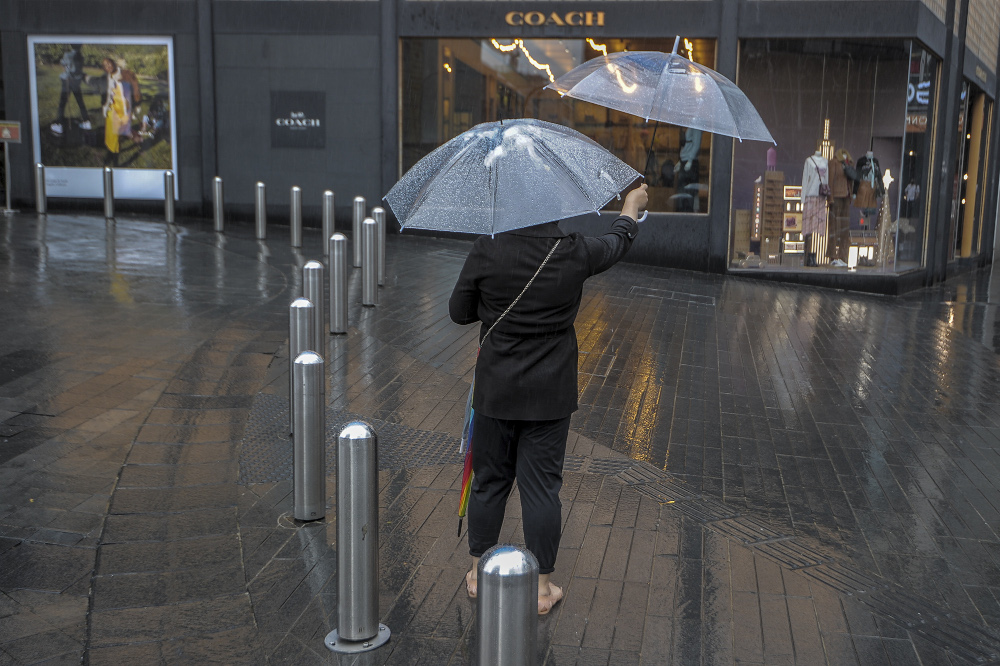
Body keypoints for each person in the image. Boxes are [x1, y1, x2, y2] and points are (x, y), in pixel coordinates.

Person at [449, 183, 649, 615]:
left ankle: (479, 575)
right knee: (542, 489)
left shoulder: (488, 248)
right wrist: (630, 209)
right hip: (550, 394)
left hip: (495, 390)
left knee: (490, 481)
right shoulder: (572, 250)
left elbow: (458, 311)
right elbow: (615, 244)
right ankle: (541, 589)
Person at [96, 57, 131, 166]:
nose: (108, 67)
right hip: (111, 109)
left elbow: (127, 96)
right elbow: (108, 93)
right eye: (105, 66)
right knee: (109, 135)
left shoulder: (122, 75)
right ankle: (109, 154)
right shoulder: (109, 76)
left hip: (120, 111)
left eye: (109, 64)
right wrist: (105, 107)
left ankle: (115, 162)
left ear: (113, 63)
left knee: (115, 136)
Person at [50, 45, 92, 135]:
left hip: (68, 81)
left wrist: (64, 60)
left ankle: (59, 125)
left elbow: (63, 64)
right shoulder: (81, 56)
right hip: (77, 81)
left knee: (62, 103)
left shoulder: (67, 54)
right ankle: (86, 122)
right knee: (80, 102)